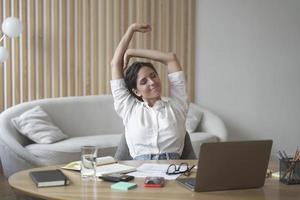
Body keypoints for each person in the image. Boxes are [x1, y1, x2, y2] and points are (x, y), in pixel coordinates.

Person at [110, 23, 188, 160]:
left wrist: (132, 52)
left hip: (173, 169)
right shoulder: (129, 108)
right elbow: (115, 64)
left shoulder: (177, 105)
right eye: (144, 81)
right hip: (140, 170)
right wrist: (131, 30)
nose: (152, 82)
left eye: (153, 76)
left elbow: (171, 58)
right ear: (136, 91)